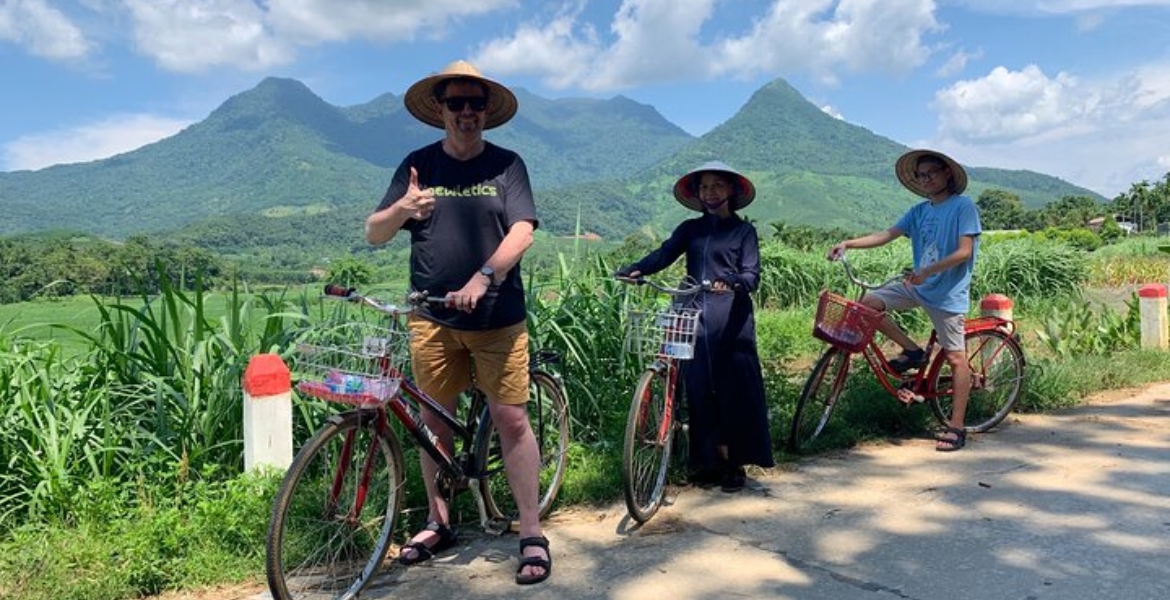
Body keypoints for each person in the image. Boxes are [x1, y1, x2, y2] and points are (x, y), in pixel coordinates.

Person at [364, 60, 551, 585]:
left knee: (511, 420)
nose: (467, 112)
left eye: (476, 103)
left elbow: (522, 232)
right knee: (435, 424)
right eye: (456, 103)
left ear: (486, 111)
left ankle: (531, 532)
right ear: (440, 110)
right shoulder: (417, 166)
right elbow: (374, 233)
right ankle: (438, 521)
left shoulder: (507, 165)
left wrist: (483, 276)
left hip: (497, 317)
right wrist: (403, 206)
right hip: (432, 318)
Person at [617, 161, 775, 492]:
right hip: (692, 316)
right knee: (699, 389)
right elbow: (663, 255)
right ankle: (707, 462)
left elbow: (751, 275)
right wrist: (635, 269)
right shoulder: (690, 229)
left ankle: (734, 463)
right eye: (704, 187)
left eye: (717, 185)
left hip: (730, 321)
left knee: (732, 390)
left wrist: (731, 281)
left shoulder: (743, 232)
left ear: (732, 190)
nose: (710, 193)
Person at [827, 149, 982, 452]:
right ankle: (913, 351)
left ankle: (956, 426)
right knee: (869, 304)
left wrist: (928, 272)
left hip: (946, 292)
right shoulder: (919, 211)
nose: (926, 180)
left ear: (947, 173)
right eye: (921, 176)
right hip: (917, 285)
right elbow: (886, 234)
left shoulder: (964, 207)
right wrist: (848, 243)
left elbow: (965, 252)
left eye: (931, 173)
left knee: (955, 357)